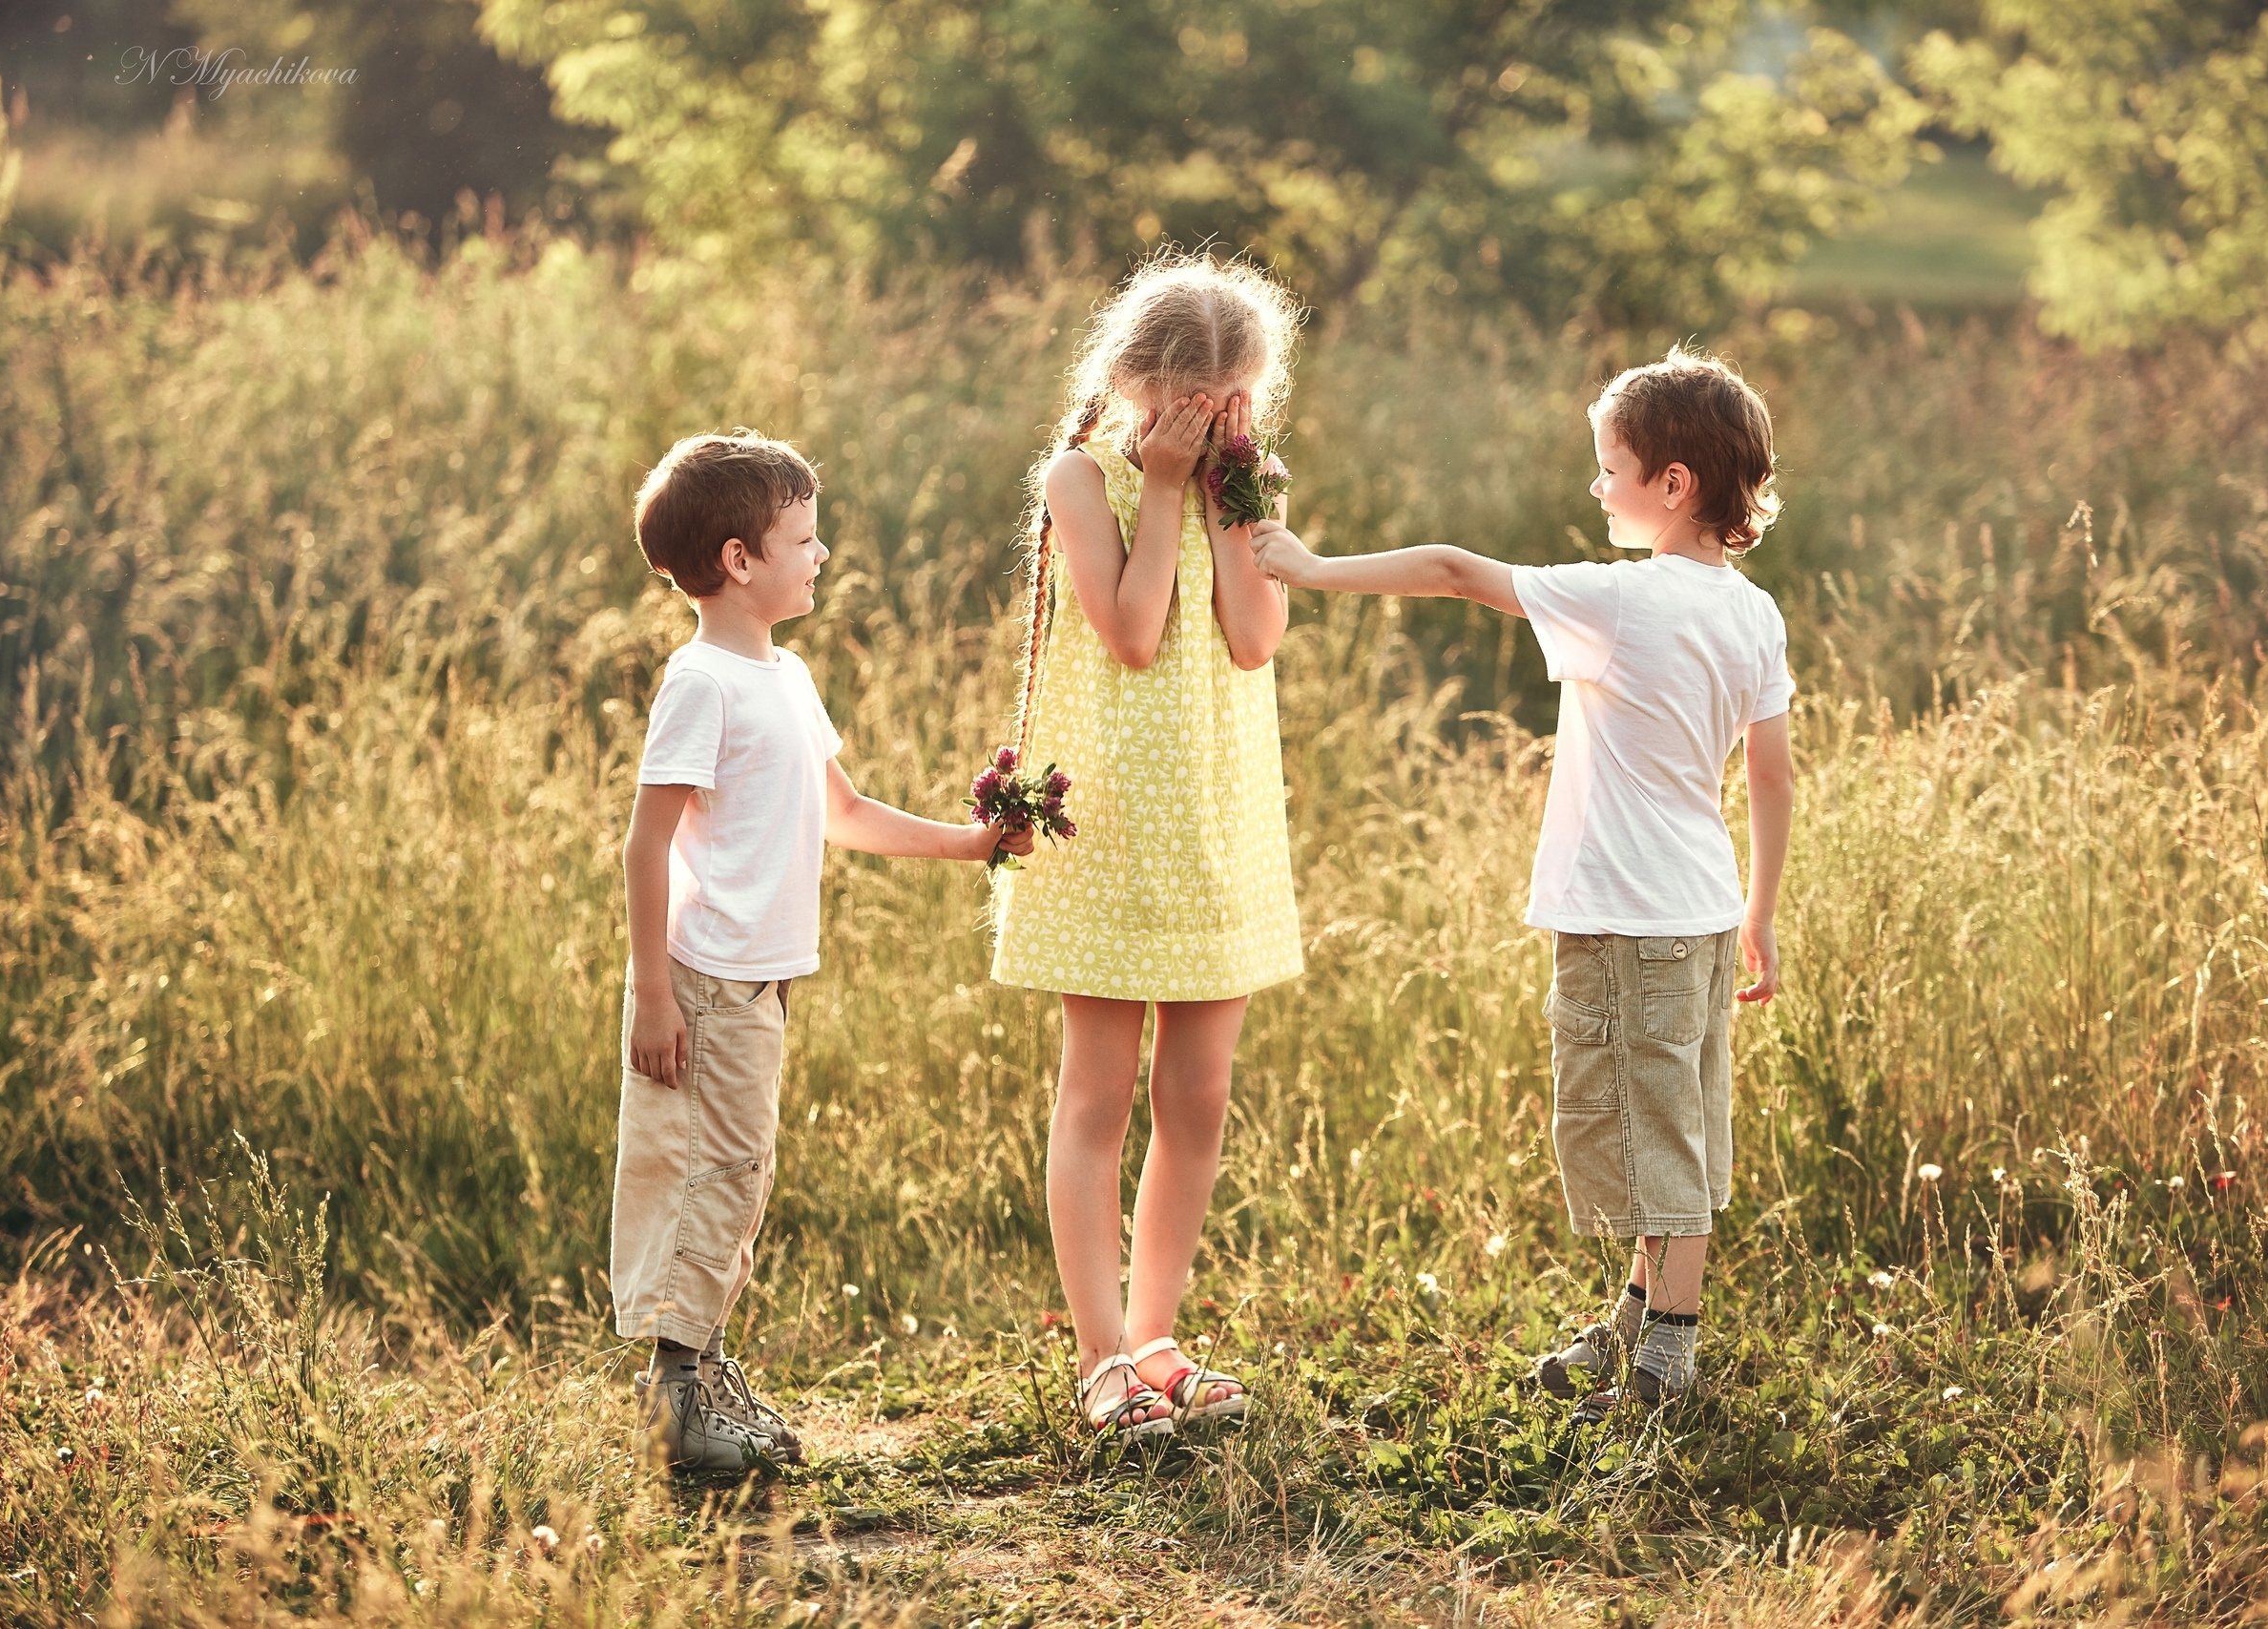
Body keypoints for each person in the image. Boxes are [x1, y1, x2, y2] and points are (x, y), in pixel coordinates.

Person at [1248, 345, 1797, 1425]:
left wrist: (1307, 567)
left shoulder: (1622, 600)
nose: (1596, 487)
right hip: (1703, 910)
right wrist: (1763, 912)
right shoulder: (1754, 613)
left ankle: (1669, 1354)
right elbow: (1771, 775)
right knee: (1673, 1115)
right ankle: (1635, 1318)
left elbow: (1456, 571)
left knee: (1646, 1132)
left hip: (1627, 917)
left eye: (1610, 469)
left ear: (1672, 483)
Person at [615, 429, 1031, 1472]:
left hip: (763, 979)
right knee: (712, 1174)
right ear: (738, 560)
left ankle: (702, 1375)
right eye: (804, 538)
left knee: (741, 1175)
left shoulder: (787, 674)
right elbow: (645, 844)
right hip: (707, 981)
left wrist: (971, 843)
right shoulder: (701, 682)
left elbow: (842, 811)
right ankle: (678, 1400)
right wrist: (654, 995)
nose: (824, 553)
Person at [989, 253, 1305, 1442]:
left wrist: (1231, 498)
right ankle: (1100, 1355)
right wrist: (1164, 488)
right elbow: (1130, 631)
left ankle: (1158, 1334)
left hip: (1218, 817)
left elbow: (1253, 636)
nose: (1212, 423)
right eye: (1189, 404)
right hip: (1116, 819)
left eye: (1231, 403)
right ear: (1134, 383)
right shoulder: (1082, 477)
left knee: (1200, 1091)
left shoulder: (1248, 479)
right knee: (1099, 1092)